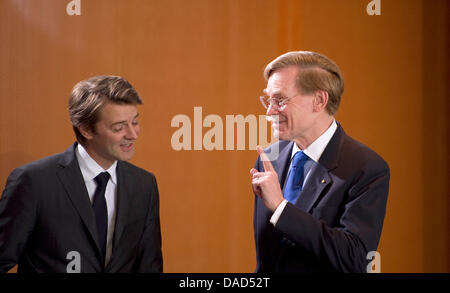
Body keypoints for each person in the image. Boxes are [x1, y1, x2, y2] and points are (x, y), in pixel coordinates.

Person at [0, 76, 163, 273]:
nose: (133, 134)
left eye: (135, 122)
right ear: (86, 129)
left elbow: (149, 266)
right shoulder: (33, 182)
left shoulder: (144, 185)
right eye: (119, 127)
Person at [250, 51, 390, 272]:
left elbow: (353, 258)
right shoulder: (269, 159)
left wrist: (281, 208)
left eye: (279, 100)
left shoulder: (366, 168)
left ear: (319, 101)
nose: (269, 111)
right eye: (268, 100)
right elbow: (267, 257)